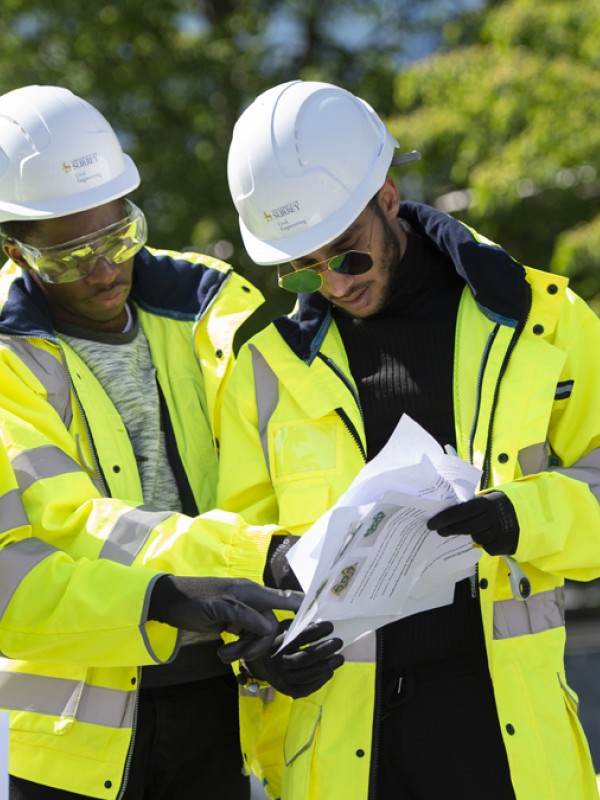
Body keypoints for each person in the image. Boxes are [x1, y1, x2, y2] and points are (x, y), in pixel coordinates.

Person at [219, 79, 600, 799]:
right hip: (341, 745)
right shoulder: (264, 371)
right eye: (303, 270)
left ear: (388, 199)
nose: (334, 284)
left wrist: (523, 517)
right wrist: (261, 654)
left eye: (347, 256)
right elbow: (243, 546)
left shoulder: (540, 323)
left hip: (500, 731)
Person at [0, 84, 340, 800]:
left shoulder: (215, 308)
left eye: (118, 238)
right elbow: (62, 522)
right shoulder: (6, 355)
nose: (104, 270)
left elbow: (280, 479)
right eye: (70, 256)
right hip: (68, 734)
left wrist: (274, 624)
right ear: (16, 251)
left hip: (220, 698)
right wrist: (241, 564)